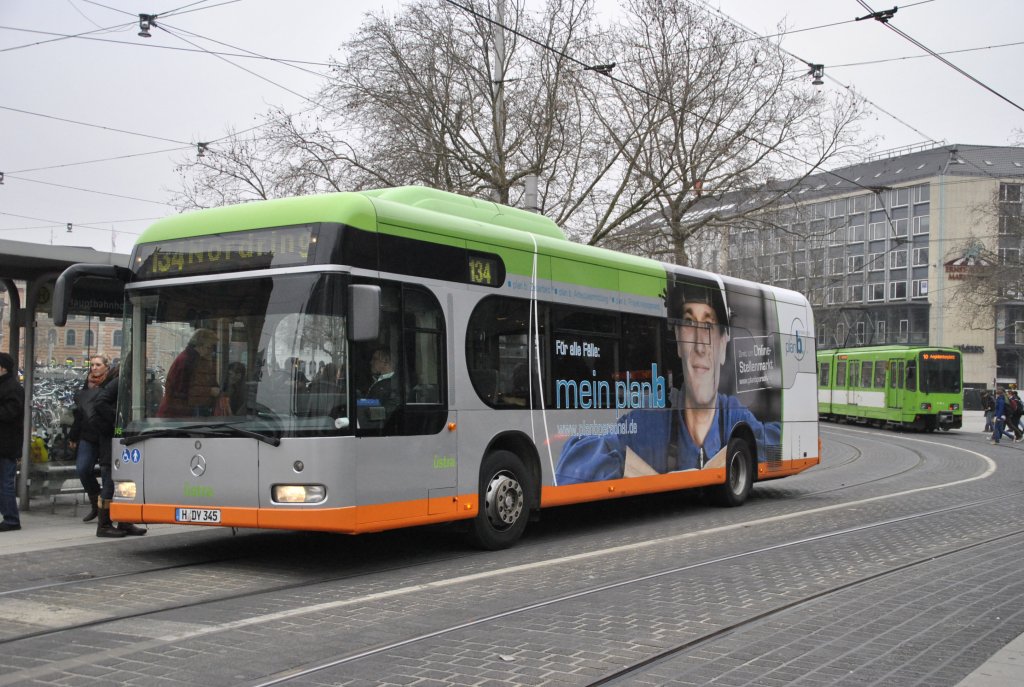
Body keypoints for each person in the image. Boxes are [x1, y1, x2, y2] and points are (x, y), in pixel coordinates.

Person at [555, 279, 780, 484]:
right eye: (690, 323)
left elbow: (780, 444)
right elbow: (573, 465)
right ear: (679, 343)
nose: (700, 347)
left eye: (709, 326)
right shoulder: (647, 423)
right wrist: (622, 464)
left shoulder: (735, 415)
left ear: (723, 345)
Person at [70, 355, 145, 537]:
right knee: (110, 482)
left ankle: (124, 522)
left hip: (118, 439)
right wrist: (116, 419)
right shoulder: (118, 382)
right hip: (109, 440)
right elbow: (100, 403)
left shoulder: (127, 382)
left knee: (123, 483)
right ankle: (103, 525)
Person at [156, 329, 220, 418]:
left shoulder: (191, 358)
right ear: (199, 345)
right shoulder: (188, 361)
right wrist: (209, 391)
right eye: (209, 347)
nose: (210, 352)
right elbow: (182, 390)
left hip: (178, 412)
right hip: (175, 414)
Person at [0, 352, 24, 532]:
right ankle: (8, 516)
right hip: (4, 443)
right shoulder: (5, 385)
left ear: (2, 368)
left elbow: (11, 413)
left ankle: (11, 519)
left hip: (6, 444)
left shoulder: (12, 387)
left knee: (5, 482)